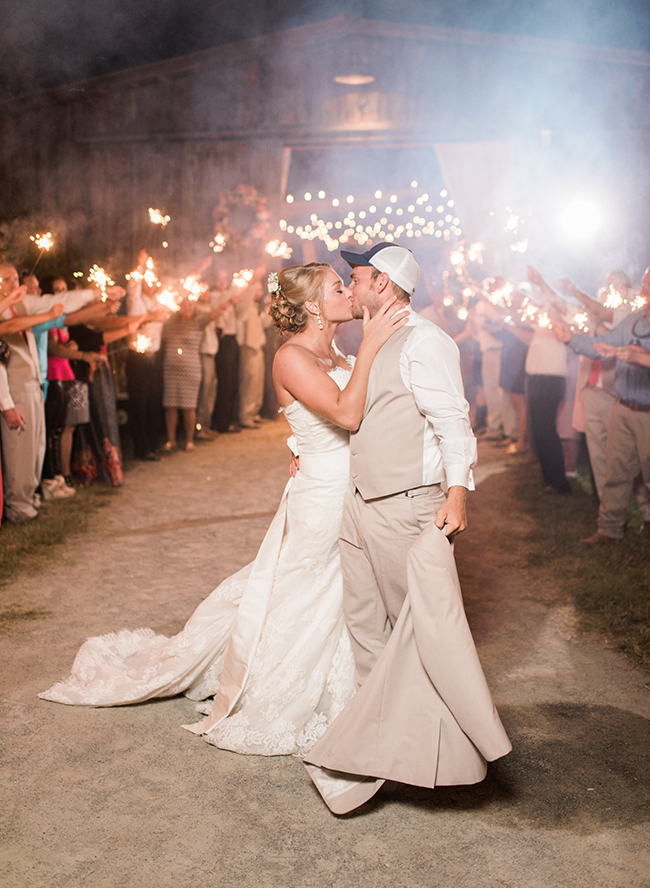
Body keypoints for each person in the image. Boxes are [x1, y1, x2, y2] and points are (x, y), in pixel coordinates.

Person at [39, 262, 406, 760]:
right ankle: (280, 686)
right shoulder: (292, 357)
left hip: (345, 486)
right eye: (339, 288)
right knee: (306, 590)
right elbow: (344, 412)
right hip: (322, 496)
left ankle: (351, 683)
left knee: (332, 590)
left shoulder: (333, 349)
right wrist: (371, 347)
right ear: (315, 306)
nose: (348, 293)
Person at [303, 242, 511, 815]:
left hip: (406, 507)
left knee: (418, 635)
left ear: (386, 286)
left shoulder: (426, 341)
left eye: (358, 276)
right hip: (359, 503)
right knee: (366, 629)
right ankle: (385, 751)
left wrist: (459, 493)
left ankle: (442, 754)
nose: (350, 284)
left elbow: (452, 421)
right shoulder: (370, 341)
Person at [554, 266, 650, 542]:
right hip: (623, 408)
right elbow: (601, 344)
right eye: (644, 284)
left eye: (647, 285)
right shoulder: (632, 322)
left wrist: (639, 356)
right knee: (616, 472)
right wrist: (571, 339)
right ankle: (609, 529)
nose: (643, 290)